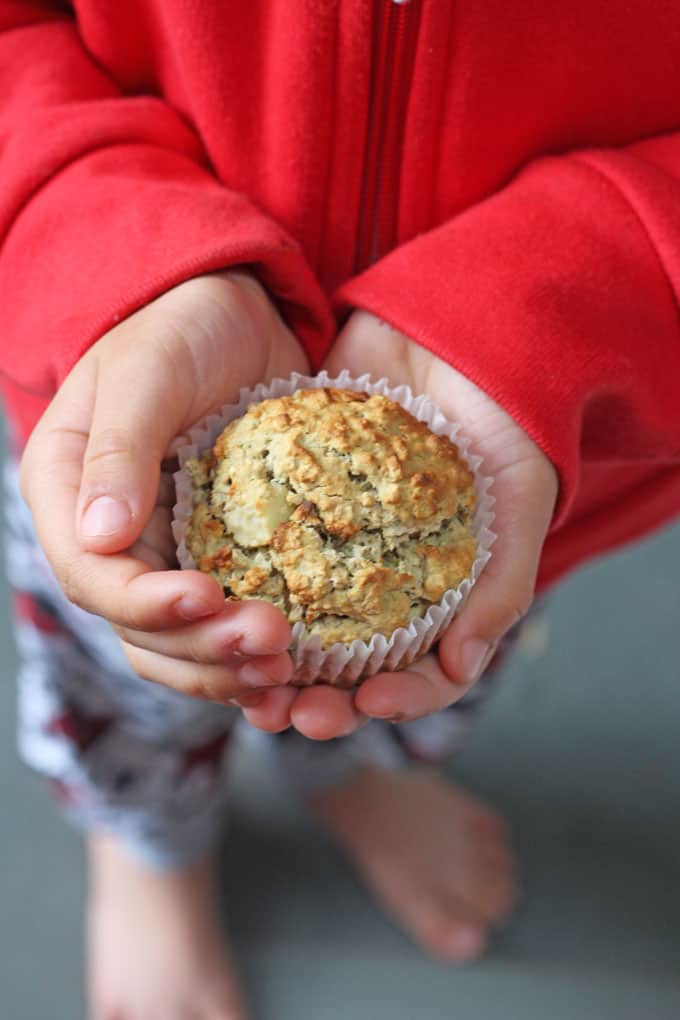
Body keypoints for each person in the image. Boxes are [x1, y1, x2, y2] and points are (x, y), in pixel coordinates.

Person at [2, 2, 680, 1017]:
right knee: (120, 672)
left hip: (540, 441)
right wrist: (110, 244)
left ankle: (346, 778)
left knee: (429, 669)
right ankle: (148, 848)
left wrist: (556, 304)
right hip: (116, 379)